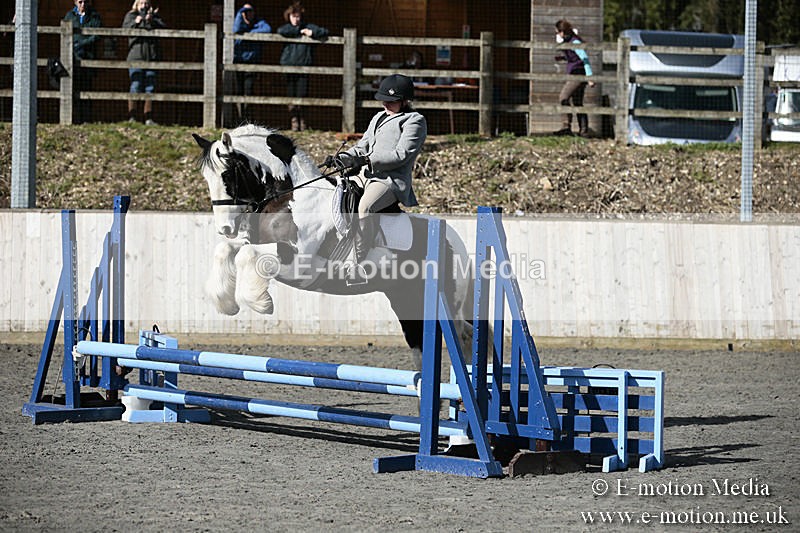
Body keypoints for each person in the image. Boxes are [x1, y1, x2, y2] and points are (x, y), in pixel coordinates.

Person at [328, 74, 426, 284]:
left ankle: (359, 263)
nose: (386, 104)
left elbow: (402, 154)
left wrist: (365, 160)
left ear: (405, 100)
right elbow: (362, 146)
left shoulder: (415, 121)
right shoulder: (378, 117)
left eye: (391, 101)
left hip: (390, 180)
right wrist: (341, 158)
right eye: (384, 100)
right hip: (366, 175)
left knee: (365, 207)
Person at [277, 2, 328, 131]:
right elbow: (281, 31)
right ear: (289, 17)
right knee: (291, 94)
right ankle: (294, 122)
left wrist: (311, 32)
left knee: (302, 94)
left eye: (298, 16)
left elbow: (324, 31)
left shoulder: (307, 26)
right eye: (293, 16)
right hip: (289, 67)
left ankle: (303, 122)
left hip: (304, 67)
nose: (296, 19)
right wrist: (299, 31)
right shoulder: (287, 29)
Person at [123, 0, 165, 125]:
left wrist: (151, 20)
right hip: (135, 57)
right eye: (141, 3)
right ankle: (132, 117)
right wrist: (137, 21)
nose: (144, 5)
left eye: (146, 3)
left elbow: (163, 27)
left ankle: (148, 118)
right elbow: (125, 29)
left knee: (150, 88)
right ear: (137, 4)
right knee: (135, 85)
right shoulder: (131, 15)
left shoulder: (154, 16)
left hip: (151, 57)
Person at [553, 19, 595, 137]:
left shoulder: (575, 42)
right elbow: (574, 58)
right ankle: (584, 130)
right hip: (574, 73)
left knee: (563, 97)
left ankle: (566, 126)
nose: (557, 35)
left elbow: (584, 59)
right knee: (577, 102)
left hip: (578, 75)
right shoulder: (568, 42)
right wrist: (563, 59)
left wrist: (589, 77)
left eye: (557, 32)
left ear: (562, 32)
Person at [64, 0, 102, 124]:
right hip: (72, 59)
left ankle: (86, 120)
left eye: (85, 1)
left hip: (88, 58)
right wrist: (73, 45)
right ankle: (74, 119)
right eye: (80, 1)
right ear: (75, 2)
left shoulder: (94, 16)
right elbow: (65, 33)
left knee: (87, 90)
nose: (83, 4)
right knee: (73, 89)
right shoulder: (69, 16)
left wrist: (82, 43)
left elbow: (97, 35)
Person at [233, 4, 271, 123]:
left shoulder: (259, 23)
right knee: (239, 90)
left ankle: (248, 119)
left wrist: (249, 33)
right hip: (238, 61)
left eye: (250, 11)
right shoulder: (239, 22)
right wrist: (241, 13)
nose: (248, 13)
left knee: (249, 90)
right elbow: (236, 29)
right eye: (246, 11)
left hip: (252, 62)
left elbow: (267, 30)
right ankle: (240, 118)